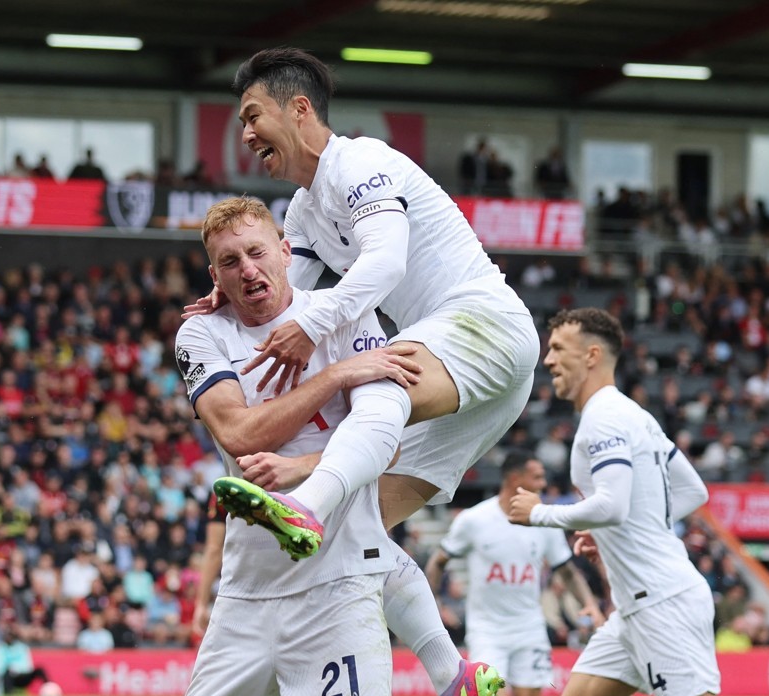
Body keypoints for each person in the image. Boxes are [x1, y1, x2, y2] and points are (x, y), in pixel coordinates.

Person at [170, 197, 499, 696]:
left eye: (257, 252)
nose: (247, 269)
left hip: (339, 587)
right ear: (213, 277)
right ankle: (451, 672)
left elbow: (381, 434)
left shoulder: (348, 315)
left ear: (287, 253)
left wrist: (301, 466)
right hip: (250, 588)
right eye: (228, 261)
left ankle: (452, 673)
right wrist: (336, 376)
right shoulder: (201, 331)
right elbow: (239, 435)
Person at [192, 47, 538, 570]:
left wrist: (311, 325)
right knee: (356, 532)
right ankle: (450, 657)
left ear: (299, 110)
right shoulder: (305, 210)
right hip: (469, 367)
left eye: (252, 116)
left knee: (371, 379)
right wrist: (240, 287)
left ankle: (303, 499)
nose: (246, 134)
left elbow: (385, 263)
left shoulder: (360, 163)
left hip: (483, 323)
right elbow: (292, 290)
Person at [508, 308, 769, 696]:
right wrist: (619, 531)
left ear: (591, 355)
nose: (548, 360)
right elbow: (691, 491)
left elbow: (612, 503)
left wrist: (543, 514)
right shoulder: (635, 414)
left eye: (558, 350)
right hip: (639, 607)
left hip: (661, 601)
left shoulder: (604, 419)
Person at [425, 450, 601, 696]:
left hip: (529, 629)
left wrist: (590, 604)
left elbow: (566, 570)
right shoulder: (475, 520)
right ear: (514, 479)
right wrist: (432, 608)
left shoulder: (543, 521)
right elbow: (439, 560)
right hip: (487, 628)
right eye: (537, 478)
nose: (543, 485)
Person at [194, 491, 291, 696]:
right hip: (296, 591)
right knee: (292, 681)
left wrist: (200, 603)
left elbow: (214, 549)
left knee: (230, 683)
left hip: (242, 597)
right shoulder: (299, 471)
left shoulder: (227, 487)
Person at [0, 623, 50, 696]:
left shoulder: (21, 647)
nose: (9, 637)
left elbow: (28, 665)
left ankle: (50, 689)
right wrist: (10, 669)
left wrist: (17, 669)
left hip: (21, 676)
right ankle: (9, 695)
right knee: (7, 673)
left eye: (11, 635)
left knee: (39, 670)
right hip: (8, 677)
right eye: (7, 635)